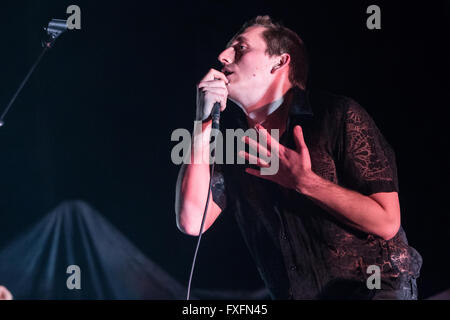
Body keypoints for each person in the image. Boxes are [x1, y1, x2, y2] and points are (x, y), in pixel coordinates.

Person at [175, 15, 422, 300]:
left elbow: (386, 222)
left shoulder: (336, 115)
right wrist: (202, 123)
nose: (222, 56)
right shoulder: (235, 147)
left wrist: (306, 182)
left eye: (240, 48)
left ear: (279, 62)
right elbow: (192, 220)